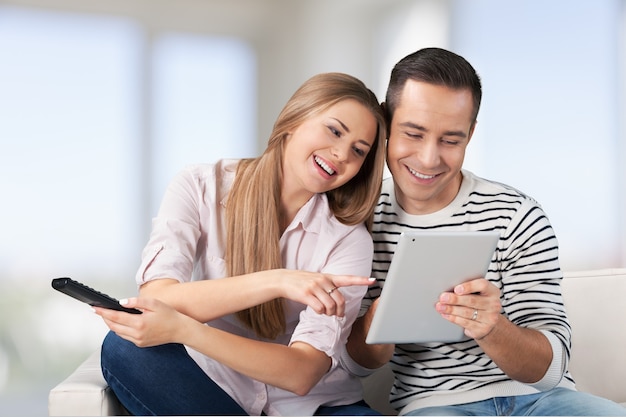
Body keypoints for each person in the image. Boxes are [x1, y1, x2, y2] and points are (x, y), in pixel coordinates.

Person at [342, 47, 626, 416]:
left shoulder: (517, 215)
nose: (429, 158)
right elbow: (354, 367)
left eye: (451, 140)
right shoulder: (359, 218)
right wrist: (376, 325)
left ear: (471, 134)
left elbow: (550, 370)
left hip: (544, 400)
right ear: (386, 122)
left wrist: (492, 329)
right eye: (413, 134)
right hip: (435, 405)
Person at [95, 72, 388, 416]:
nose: (341, 154)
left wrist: (185, 329)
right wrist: (277, 280)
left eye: (358, 150)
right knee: (124, 350)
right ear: (294, 118)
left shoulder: (349, 239)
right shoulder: (201, 187)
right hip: (215, 392)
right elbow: (157, 297)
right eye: (334, 130)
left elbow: (302, 373)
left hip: (313, 406)